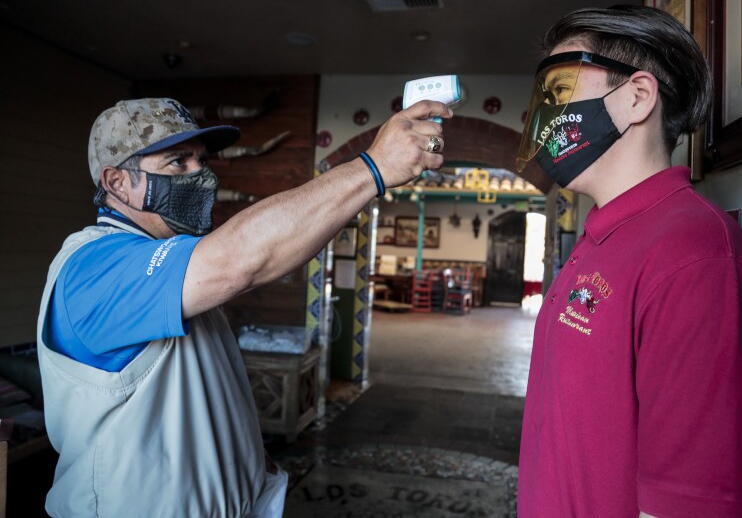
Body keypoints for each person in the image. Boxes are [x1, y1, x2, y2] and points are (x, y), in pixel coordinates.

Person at [36, 97, 452, 517]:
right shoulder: (95, 268)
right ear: (117, 182)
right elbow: (240, 261)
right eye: (178, 162)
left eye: (201, 160)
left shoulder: (173, 260)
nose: (201, 175)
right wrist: (372, 169)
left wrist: (246, 458)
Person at [515, 5, 742, 517]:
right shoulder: (603, 234)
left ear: (637, 97)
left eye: (561, 89)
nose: (546, 116)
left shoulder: (698, 257)